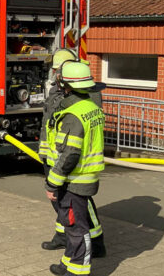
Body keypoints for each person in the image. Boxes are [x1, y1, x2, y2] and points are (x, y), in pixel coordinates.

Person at [40, 50, 106, 257]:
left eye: (55, 69)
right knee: (60, 202)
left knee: (80, 204)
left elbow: (78, 127)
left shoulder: (84, 91)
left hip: (72, 160)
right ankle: (62, 236)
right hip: (54, 153)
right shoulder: (57, 89)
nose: (52, 73)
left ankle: (95, 241)